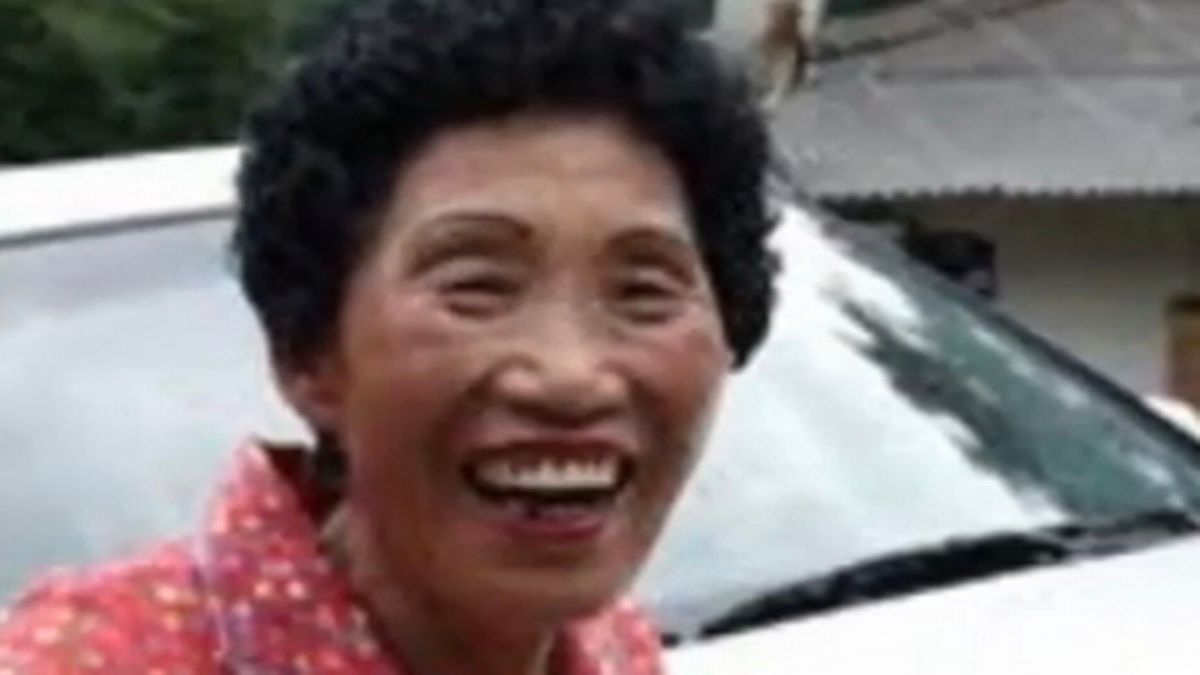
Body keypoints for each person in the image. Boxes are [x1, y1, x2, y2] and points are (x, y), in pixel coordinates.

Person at [0, 0, 777, 672]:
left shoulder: (612, 647)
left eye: (644, 292)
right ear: (309, 354)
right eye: (477, 287)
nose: (570, 374)